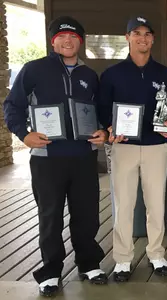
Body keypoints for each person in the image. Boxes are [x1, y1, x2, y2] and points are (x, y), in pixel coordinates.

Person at [3, 16, 107, 296]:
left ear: (80, 41)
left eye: (73, 37)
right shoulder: (34, 70)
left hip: (84, 156)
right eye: (62, 36)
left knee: (87, 214)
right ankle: (50, 270)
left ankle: (88, 263)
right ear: (53, 41)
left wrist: (102, 131)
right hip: (47, 158)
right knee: (50, 216)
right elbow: (12, 107)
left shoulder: (89, 75)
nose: (68, 40)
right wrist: (23, 134)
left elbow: (99, 113)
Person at [97, 16, 167, 282]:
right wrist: (109, 128)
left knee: (156, 203)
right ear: (127, 37)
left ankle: (156, 253)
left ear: (153, 38)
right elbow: (102, 110)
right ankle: (122, 259)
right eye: (136, 33)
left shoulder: (164, 74)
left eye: (147, 33)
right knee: (124, 204)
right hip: (124, 148)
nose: (142, 38)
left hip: (156, 146)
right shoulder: (112, 74)